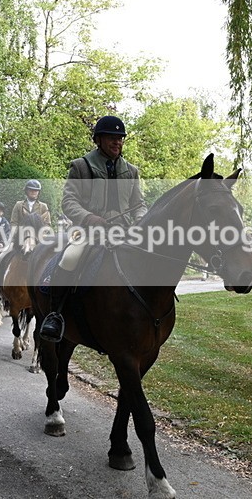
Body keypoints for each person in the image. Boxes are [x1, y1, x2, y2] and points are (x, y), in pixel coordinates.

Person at [39, 115, 147, 342]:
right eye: (111, 138)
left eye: (120, 139)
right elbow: (68, 202)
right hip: (87, 230)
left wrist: (139, 221)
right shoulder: (81, 166)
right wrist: (89, 218)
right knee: (70, 256)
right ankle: (55, 315)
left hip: (124, 231)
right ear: (98, 139)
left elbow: (139, 205)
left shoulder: (132, 171)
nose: (117, 142)